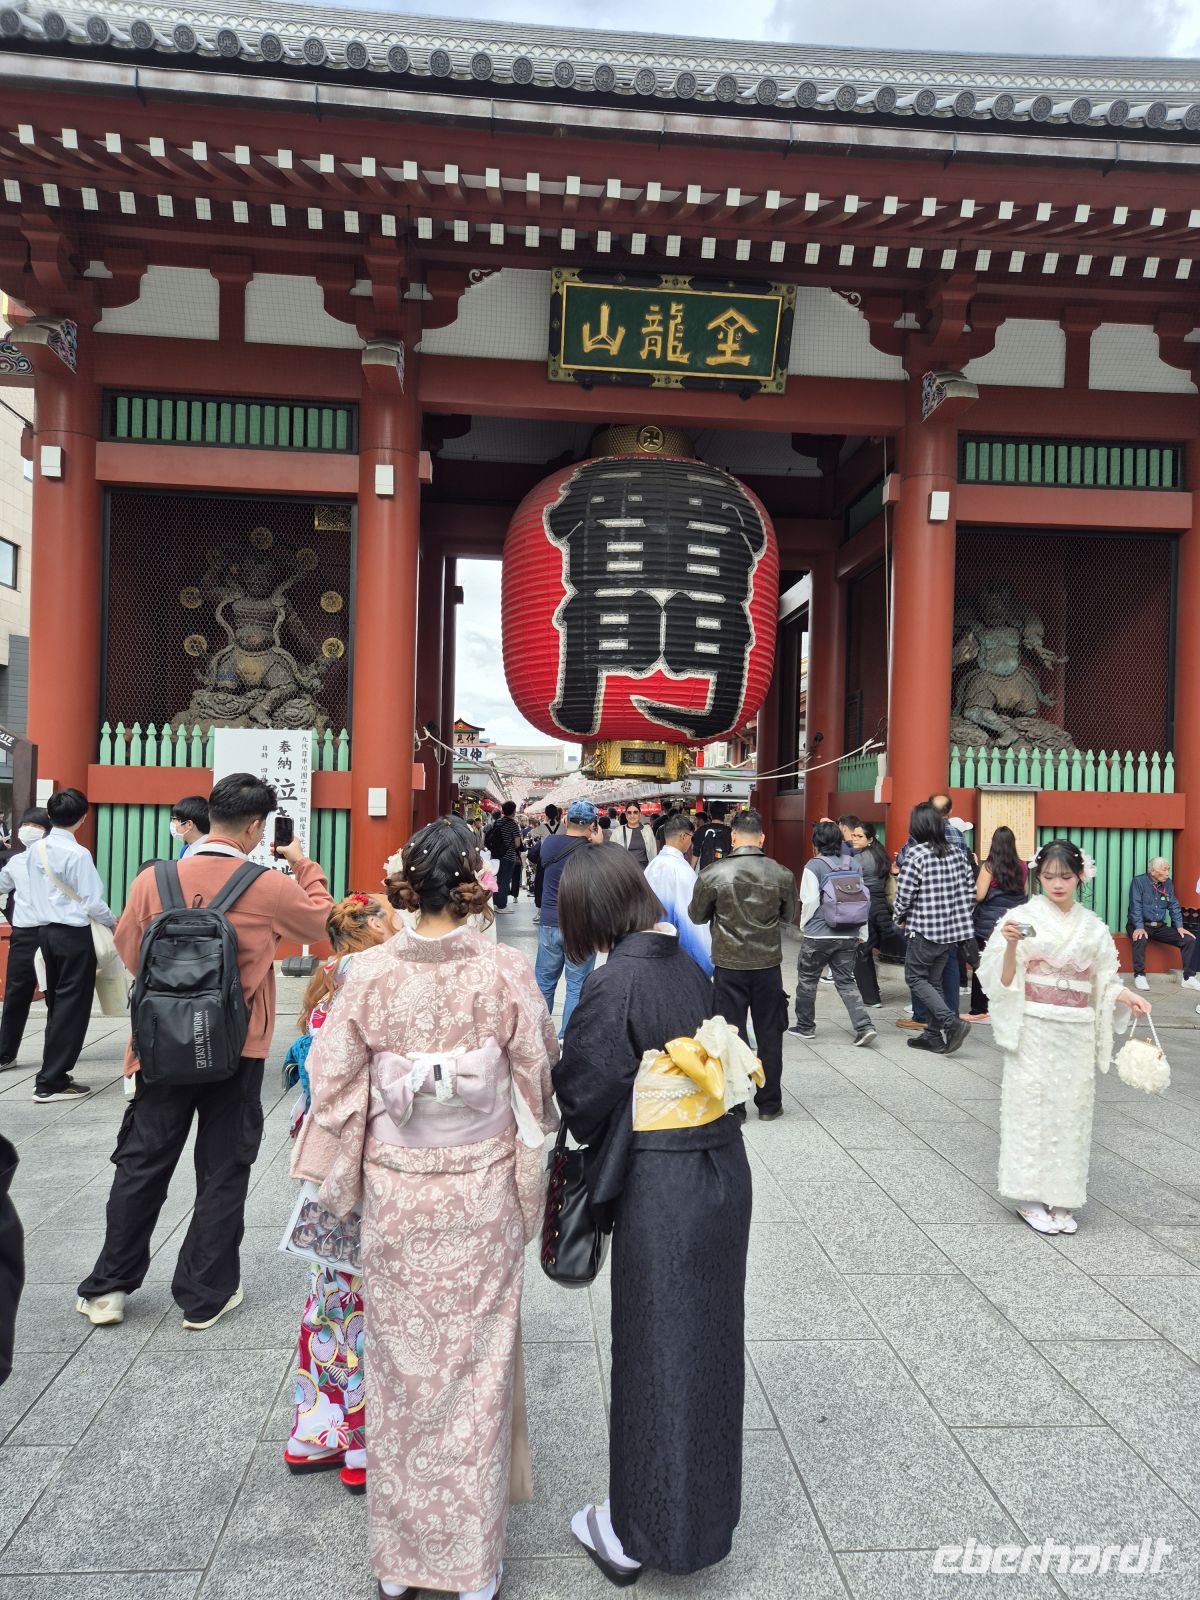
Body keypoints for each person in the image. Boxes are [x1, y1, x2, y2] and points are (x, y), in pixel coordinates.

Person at [305, 815, 558, 1600]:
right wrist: (529, 1180)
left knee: (403, 1366)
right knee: (476, 1369)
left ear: (408, 883)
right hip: (481, 1188)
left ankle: (401, 1564)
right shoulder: (506, 971)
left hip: (396, 1186)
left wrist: (338, 1169)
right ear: (479, 884)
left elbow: (333, 1079)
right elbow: (536, 1076)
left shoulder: (370, 972)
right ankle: (471, 1567)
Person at [553, 845, 750, 1585]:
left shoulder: (617, 980)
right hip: (720, 1170)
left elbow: (584, 1096)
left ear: (592, 914)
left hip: (662, 1185)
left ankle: (638, 1531)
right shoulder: (688, 967)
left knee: (655, 1351)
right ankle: (701, 1520)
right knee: (706, 1349)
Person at [75, 772, 333, 1330]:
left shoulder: (154, 880)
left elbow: (127, 950)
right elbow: (322, 923)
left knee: (142, 1164)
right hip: (235, 1049)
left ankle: (109, 1289)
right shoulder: (266, 884)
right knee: (222, 1167)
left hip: (160, 1050)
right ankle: (204, 1295)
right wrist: (304, 864)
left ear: (208, 815)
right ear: (258, 827)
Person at [978, 839, 1152, 1234]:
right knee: (1031, 1107)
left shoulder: (1093, 926)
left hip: (1075, 1028)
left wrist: (1126, 994)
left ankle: (1063, 1196)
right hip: (1034, 1025)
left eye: (1066, 876)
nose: (1057, 884)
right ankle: (1029, 1196)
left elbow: (1103, 979)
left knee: (1071, 1111)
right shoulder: (1021, 916)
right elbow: (1003, 981)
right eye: (1049, 876)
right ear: (1038, 877)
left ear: (1081, 876)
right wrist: (1009, 946)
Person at [284, 892, 393, 1494]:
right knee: (361, 1296)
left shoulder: (335, 974)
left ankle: (314, 1430)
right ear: (371, 927)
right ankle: (359, 1442)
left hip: (324, 1154)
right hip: (355, 1156)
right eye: (387, 911)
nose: (398, 916)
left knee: (332, 1295)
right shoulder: (373, 977)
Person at [0, 788, 117, 1103]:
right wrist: (112, 921)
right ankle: (52, 1081)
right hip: (73, 936)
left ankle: (52, 1075)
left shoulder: (35, 852)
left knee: (57, 1002)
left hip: (44, 933)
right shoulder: (78, 854)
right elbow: (92, 902)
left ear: (49, 816)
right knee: (70, 1007)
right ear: (82, 818)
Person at [689, 807, 796, 1120]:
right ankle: (770, 1103)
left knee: (730, 1035)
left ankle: (735, 1105)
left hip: (728, 964)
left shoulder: (713, 874)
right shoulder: (781, 873)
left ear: (733, 837)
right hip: (767, 965)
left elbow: (697, 915)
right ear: (762, 837)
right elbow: (788, 916)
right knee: (769, 1034)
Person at [892, 801, 975, 1055]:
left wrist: (898, 916)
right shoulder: (957, 854)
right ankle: (932, 1035)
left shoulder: (916, 855)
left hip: (924, 929)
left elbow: (904, 894)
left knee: (915, 978)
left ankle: (951, 1024)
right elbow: (970, 893)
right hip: (950, 931)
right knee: (934, 981)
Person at [791, 820, 875, 1046]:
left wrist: (804, 926)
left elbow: (808, 901)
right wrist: (862, 932)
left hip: (818, 934)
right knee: (846, 981)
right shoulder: (854, 863)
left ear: (815, 843)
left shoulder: (814, 865)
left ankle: (805, 1026)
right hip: (849, 933)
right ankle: (864, 1026)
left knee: (808, 979)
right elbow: (862, 899)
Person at [535, 799, 601, 1036]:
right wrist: (599, 844)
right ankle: (567, 1039)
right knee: (576, 986)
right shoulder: (594, 851)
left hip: (550, 923)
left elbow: (539, 861)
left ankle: (538, 1036)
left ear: (565, 819)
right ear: (593, 824)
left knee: (544, 984)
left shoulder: (550, 843)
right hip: (581, 926)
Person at [0, 807, 51, 1070]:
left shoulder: (62, 859)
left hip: (55, 932)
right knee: (16, 993)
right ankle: (6, 1052)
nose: (27, 829)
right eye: (25, 824)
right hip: (24, 935)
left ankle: (55, 1054)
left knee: (55, 995)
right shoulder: (16, 862)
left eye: (35, 825)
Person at [968, 826, 1029, 1021]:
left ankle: (980, 1009)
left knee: (983, 964)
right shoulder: (1023, 865)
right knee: (1010, 963)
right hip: (1015, 921)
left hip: (989, 924)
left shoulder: (989, 867)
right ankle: (1005, 1007)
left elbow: (979, 895)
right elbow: (1025, 893)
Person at [644, 813, 713, 975]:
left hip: (648, 949)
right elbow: (692, 924)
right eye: (692, 837)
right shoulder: (683, 872)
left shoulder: (651, 867)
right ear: (683, 836)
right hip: (674, 956)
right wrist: (705, 966)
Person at [1127, 857, 1199, 992]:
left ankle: (1188, 978)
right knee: (1140, 937)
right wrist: (1139, 927)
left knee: (1188, 940)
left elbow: (1173, 905)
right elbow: (1135, 906)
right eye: (1164, 870)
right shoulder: (1139, 882)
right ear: (1153, 871)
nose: (1167, 873)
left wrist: (1180, 927)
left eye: (1168, 870)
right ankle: (1140, 975)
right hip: (1140, 924)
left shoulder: (1168, 884)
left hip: (1159, 926)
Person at [849, 820, 898, 1008]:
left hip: (865, 908)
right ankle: (873, 992)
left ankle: (871, 997)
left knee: (862, 952)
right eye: (853, 835)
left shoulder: (859, 860)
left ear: (869, 839)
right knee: (867, 950)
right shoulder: (880, 855)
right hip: (880, 908)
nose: (854, 839)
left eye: (859, 836)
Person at [488, 800, 524, 913]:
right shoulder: (513, 824)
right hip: (508, 856)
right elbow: (517, 844)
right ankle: (502, 906)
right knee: (504, 881)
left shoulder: (497, 822)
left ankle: (494, 903)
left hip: (496, 855)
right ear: (513, 811)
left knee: (497, 880)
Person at [613, 801, 657, 867]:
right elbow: (612, 853)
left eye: (635, 812)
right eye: (629, 813)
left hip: (645, 870)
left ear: (640, 814)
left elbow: (653, 852)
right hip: (626, 870)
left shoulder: (647, 830)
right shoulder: (618, 831)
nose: (632, 816)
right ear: (626, 814)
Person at [693, 800, 733, 869]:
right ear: (724, 815)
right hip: (723, 873)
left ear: (710, 814)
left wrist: (692, 871)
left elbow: (695, 855)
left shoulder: (701, 830)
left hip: (705, 874)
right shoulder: (730, 832)